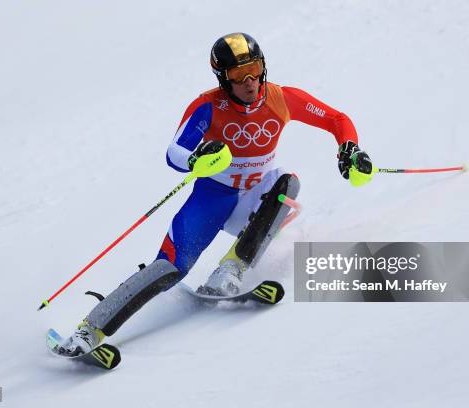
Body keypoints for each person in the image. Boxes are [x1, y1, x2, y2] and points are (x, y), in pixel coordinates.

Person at [58, 32, 373, 356]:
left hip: (254, 201)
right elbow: (174, 151)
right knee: (169, 269)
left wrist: (349, 148)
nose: (250, 82)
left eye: (254, 69)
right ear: (223, 79)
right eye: (238, 75)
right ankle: (89, 331)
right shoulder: (208, 105)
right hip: (211, 200)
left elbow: (337, 119)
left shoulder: (280, 98)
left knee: (287, 184)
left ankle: (232, 268)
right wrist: (195, 159)